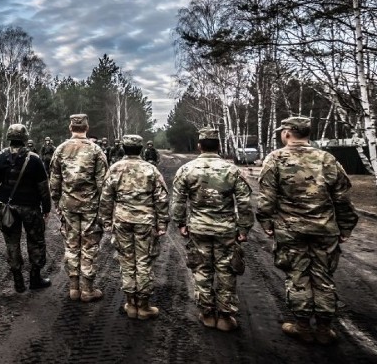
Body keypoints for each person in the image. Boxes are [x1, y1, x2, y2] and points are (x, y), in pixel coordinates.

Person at [256, 116, 359, 345]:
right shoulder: (326, 159)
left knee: (298, 276)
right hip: (324, 229)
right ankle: (324, 329)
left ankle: (302, 326)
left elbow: (266, 198)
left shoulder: (275, 159)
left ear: (287, 133)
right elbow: (342, 197)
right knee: (323, 276)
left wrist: (266, 223)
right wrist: (346, 226)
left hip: (290, 230)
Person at [171, 127, 252, 331]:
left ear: (199, 146)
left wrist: (180, 223)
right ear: (219, 145)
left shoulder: (187, 170)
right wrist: (244, 229)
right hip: (225, 230)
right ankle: (225, 317)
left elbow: (178, 201)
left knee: (202, 269)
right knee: (226, 271)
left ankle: (207, 313)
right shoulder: (232, 170)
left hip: (198, 228)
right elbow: (244, 202)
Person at [99, 134, 169, 320]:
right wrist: (162, 223)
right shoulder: (150, 169)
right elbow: (161, 199)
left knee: (127, 261)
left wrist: (106, 220)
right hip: (145, 222)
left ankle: (131, 303)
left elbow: (106, 197)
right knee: (143, 261)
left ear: (123, 148)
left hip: (122, 220)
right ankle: (143, 306)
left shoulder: (115, 169)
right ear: (141, 149)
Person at [49, 114, 107, 302]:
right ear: (87, 128)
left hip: (69, 205)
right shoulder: (96, 150)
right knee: (89, 246)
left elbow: (55, 180)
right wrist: (105, 208)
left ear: (70, 127)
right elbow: (102, 183)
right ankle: (87, 289)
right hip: (90, 206)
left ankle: (74, 287)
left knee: (72, 245)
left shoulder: (60, 149)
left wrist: (57, 202)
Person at [0, 124, 52, 293]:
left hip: (8, 208)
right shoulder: (35, 159)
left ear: (9, 137)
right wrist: (47, 208)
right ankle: (35, 278)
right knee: (36, 241)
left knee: (11, 243)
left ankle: (18, 279)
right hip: (31, 208)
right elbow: (44, 188)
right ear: (25, 139)